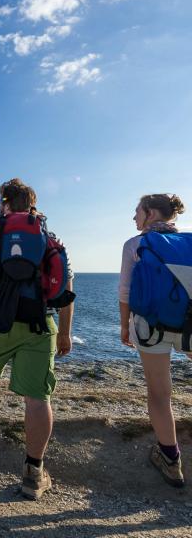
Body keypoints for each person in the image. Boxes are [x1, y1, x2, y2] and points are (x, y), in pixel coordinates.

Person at [0, 178, 74, 500]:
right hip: (39, 325)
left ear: (4, 204)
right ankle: (33, 472)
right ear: (32, 204)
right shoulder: (50, 237)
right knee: (38, 398)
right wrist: (64, 332)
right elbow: (65, 289)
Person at [119, 193, 190, 488]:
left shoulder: (135, 245)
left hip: (150, 327)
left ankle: (170, 460)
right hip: (191, 324)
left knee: (160, 394)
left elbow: (125, 292)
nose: (134, 217)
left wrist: (125, 327)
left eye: (137, 211)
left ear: (150, 213)